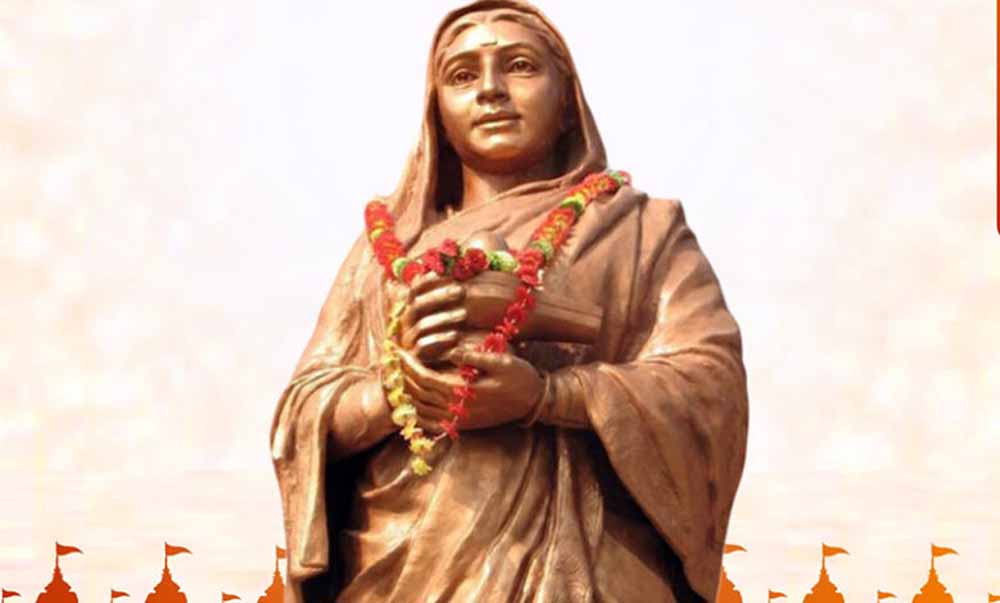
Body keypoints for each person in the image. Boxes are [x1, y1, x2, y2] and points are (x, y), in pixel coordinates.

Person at [269, 1, 749, 601]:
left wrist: (549, 397)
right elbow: (303, 412)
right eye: (462, 75)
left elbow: (709, 383)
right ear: (436, 112)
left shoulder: (640, 231)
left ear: (568, 99)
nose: (491, 90)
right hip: (406, 568)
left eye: (520, 65)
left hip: (591, 570)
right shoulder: (386, 248)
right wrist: (397, 393)